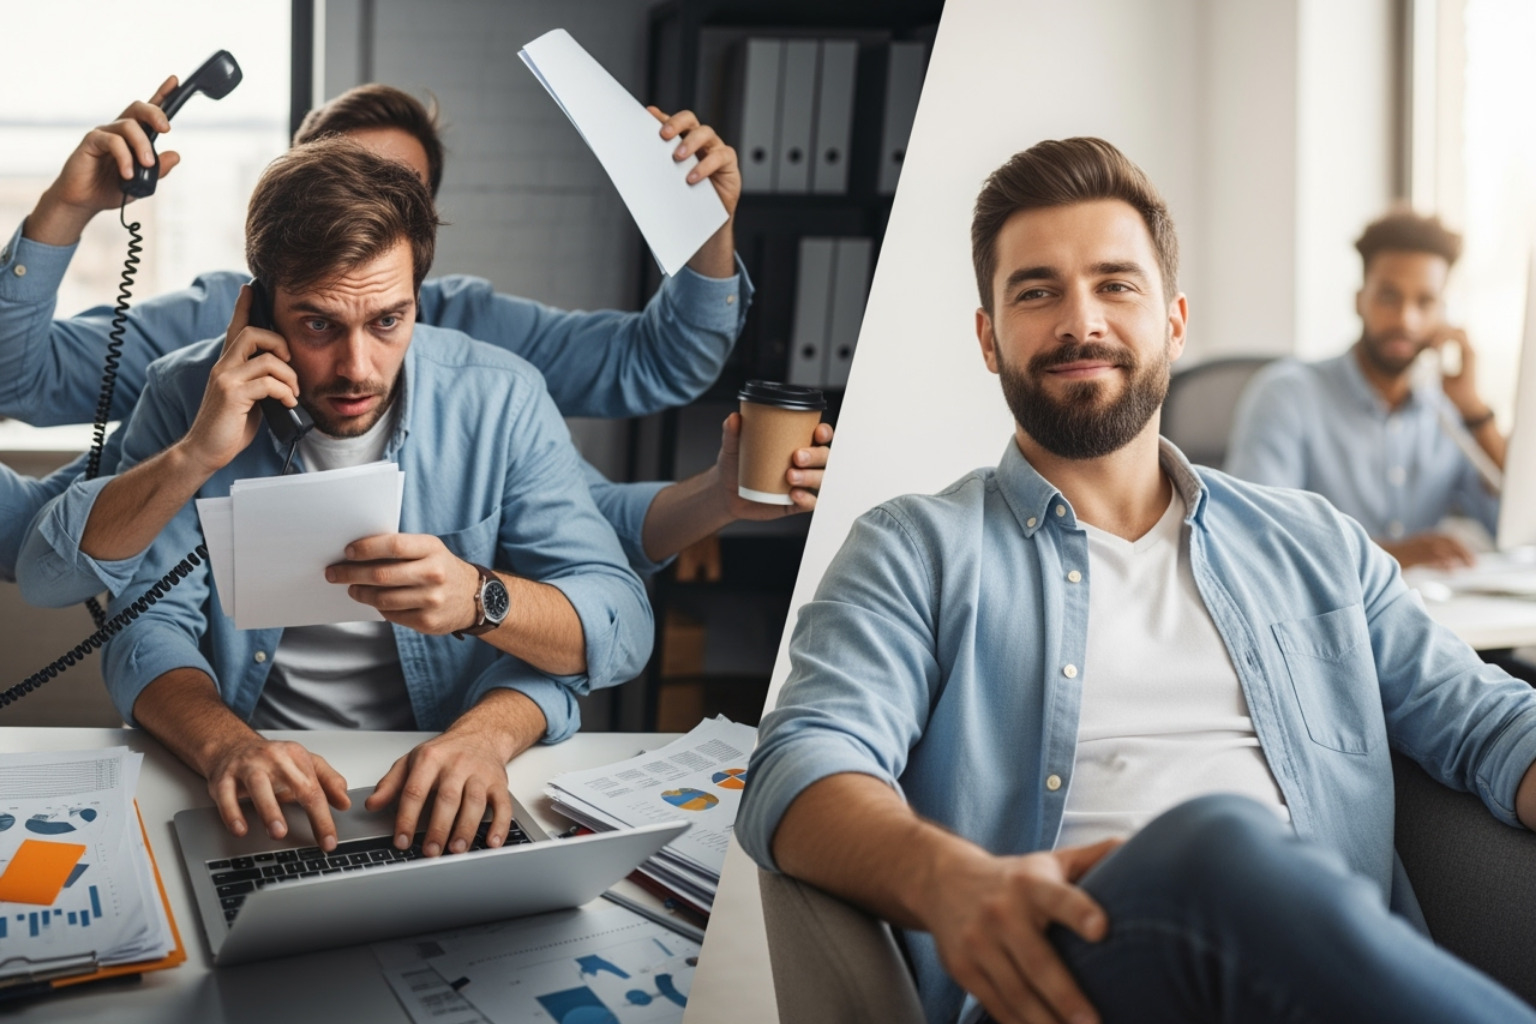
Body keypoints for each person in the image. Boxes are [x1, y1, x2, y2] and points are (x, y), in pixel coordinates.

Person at [736, 138, 1536, 1024]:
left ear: (1176, 322)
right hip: (1054, 994)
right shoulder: (912, 550)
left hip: (1310, 988)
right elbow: (801, 761)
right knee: (1219, 846)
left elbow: (1490, 723)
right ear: (988, 339)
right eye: (1036, 292)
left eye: (1117, 285)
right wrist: (948, 882)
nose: (1081, 322)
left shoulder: (1314, 542)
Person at [0, 78, 831, 595]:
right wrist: (66, 209)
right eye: (335, 184)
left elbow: (649, 386)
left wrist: (704, 224)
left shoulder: (481, 351)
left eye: (396, 194)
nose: (357, 360)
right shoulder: (202, 328)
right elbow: (24, 389)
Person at [100, 138, 653, 864]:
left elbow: (621, 619)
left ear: (419, 297)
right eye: (320, 325)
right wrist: (228, 747)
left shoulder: (502, 399)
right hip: (263, 783)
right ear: (258, 309)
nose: (358, 369)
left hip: (442, 782)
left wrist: (480, 612)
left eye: (388, 321)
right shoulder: (183, 398)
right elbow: (144, 629)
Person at [1226, 210, 1502, 570]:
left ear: (1443, 313)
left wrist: (1476, 412)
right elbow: (1254, 535)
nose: (1406, 319)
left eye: (1425, 302)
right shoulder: (1287, 395)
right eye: (1389, 297)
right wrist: (1393, 556)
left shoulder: (1448, 413)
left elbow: (1514, 529)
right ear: (1360, 300)